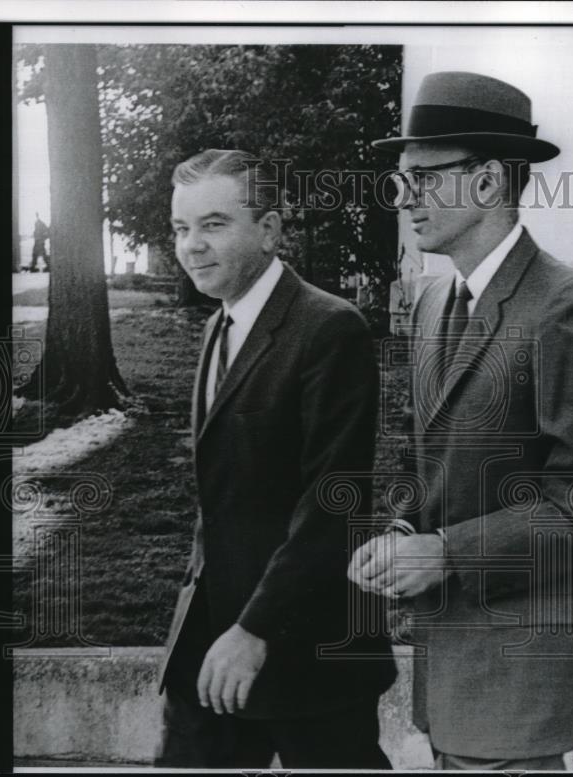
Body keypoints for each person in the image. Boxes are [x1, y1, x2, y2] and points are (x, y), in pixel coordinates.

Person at [348, 72, 573, 770]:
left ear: (486, 184)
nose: (404, 197)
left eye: (423, 178)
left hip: (523, 673)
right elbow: (432, 464)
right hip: (452, 667)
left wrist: (446, 553)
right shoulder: (427, 302)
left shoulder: (568, 306)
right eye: (400, 179)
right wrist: (402, 530)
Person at [157, 149, 395, 768]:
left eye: (213, 225)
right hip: (211, 645)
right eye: (182, 229)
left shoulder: (328, 328)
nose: (192, 247)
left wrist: (255, 630)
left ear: (269, 230)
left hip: (308, 649)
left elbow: (332, 505)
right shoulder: (220, 325)